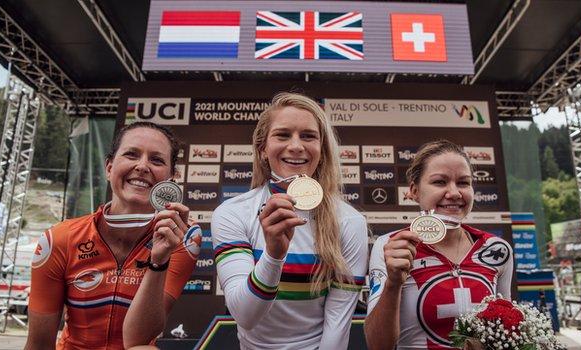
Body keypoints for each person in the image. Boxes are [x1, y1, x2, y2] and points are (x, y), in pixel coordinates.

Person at [211, 92, 368, 349]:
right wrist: (273, 255)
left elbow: (337, 325)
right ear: (262, 149)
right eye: (283, 135)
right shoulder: (232, 213)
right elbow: (245, 315)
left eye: (308, 136)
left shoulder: (350, 221)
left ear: (322, 149)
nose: (296, 146)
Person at [25, 122, 201, 349]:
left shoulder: (182, 236)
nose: (142, 166)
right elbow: (38, 344)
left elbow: (138, 340)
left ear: (171, 178)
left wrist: (159, 261)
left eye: (156, 160)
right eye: (131, 154)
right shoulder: (60, 238)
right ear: (109, 168)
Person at [364, 140, 513, 349]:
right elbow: (378, 345)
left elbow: (505, 334)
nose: (454, 193)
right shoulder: (390, 246)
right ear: (414, 191)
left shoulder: (497, 249)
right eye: (440, 182)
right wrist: (393, 282)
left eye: (463, 182)